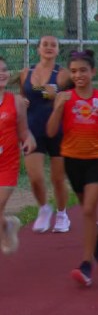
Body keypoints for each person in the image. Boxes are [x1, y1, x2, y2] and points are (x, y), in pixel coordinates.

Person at [46, 50, 98, 286]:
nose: (78, 75)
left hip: (96, 157)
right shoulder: (64, 97)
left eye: (83, 70)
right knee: (87, 208)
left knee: (87, 209)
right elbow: (51, 132)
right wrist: (58, 107)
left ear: (93, 72)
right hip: (72, 159)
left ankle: (86, 265)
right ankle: (97, 233)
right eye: (73, 71)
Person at [20, 36, 72, 233]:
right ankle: (44, 208)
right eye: (45, 45)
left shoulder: (63, 74)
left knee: (58, 179)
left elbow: (75, 95)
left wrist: (58, 92)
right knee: (35, 176)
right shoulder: (27, 72)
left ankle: (62, 214)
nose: (49, 48)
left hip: (58, 131)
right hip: (33, 130)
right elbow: (24, 95)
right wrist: (22, 102)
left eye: (53, 45)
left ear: (58, 50)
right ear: (38, 49)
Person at [0, 57, 36, 255]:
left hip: (7, 163)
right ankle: (7, 225)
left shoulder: (16, 102)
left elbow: (24, 132)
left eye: (4, 69)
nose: (2, 73)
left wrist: (29, 140)